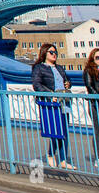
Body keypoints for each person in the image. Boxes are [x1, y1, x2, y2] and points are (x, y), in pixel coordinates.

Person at [31, 42, 74, 170]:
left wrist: (68, 84)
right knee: (56, 131)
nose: (54, 54)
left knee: (64, 132)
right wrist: (50, 95)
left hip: (63, 102)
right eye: (51, 52)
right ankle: (50, 153)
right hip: (51, 104)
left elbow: (67, 80)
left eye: (55, 52)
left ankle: (63, 160)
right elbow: (36, 84)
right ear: (44, 53)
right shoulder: (39, 68)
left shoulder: (60, 68)